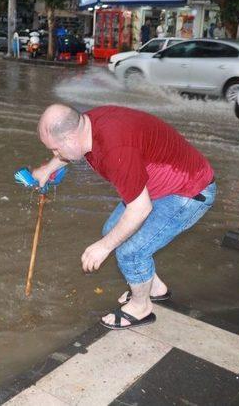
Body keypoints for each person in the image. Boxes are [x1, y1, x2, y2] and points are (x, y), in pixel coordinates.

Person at [30, 104, 215, 330]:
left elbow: (140, 209)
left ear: (70, 136)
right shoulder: (88, 124)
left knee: (130, 252)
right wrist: (48, 168)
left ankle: (141, 308)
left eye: (55, 150)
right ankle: (155, 289)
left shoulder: (115, 149)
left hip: (189, 191)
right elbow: (72, 151)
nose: (55, 155)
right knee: (114, 231)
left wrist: (103, 247)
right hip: (157, 186)